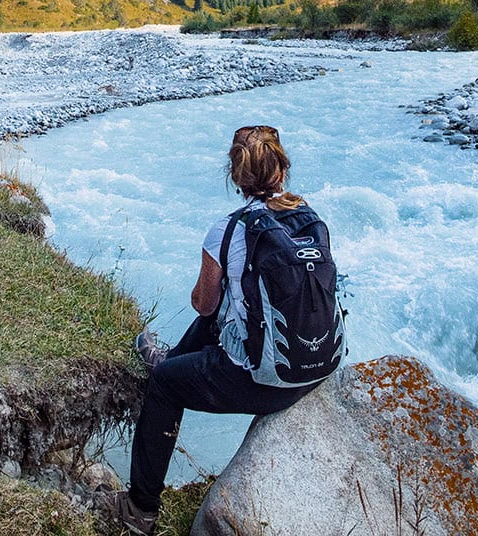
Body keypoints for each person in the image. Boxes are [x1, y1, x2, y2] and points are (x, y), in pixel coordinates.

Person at [106, 125, 336, 535]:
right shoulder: (309, 219)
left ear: (236, 177)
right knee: (224, 317)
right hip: (316, 369)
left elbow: (203, 304)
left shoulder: (229, 229)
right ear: (282, 170)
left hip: (264, 379)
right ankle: (171, 358)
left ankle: (139, 510)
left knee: (164, 383)